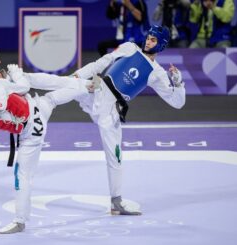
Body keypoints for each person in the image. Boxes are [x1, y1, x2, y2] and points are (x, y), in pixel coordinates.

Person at [24, 25, 186, 216]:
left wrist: (177, 82)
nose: (148, 41)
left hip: (112, 110)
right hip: (98, 88)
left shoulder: (157, 73)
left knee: (115, 157)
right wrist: (77, 75)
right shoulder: (129, 47)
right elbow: (101, 63)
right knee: (65, 83)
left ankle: (116, 202)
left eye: (153, 40)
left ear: (162, 45)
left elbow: (178, 102)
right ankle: (22, 81)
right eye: (148, 37)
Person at [0, 57, 92, 234]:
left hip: (29, 132)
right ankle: (88, 86)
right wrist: (15, 74)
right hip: (36, 111)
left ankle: (20, 221)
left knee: (23, 177)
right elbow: (23, 87)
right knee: (51, 97)